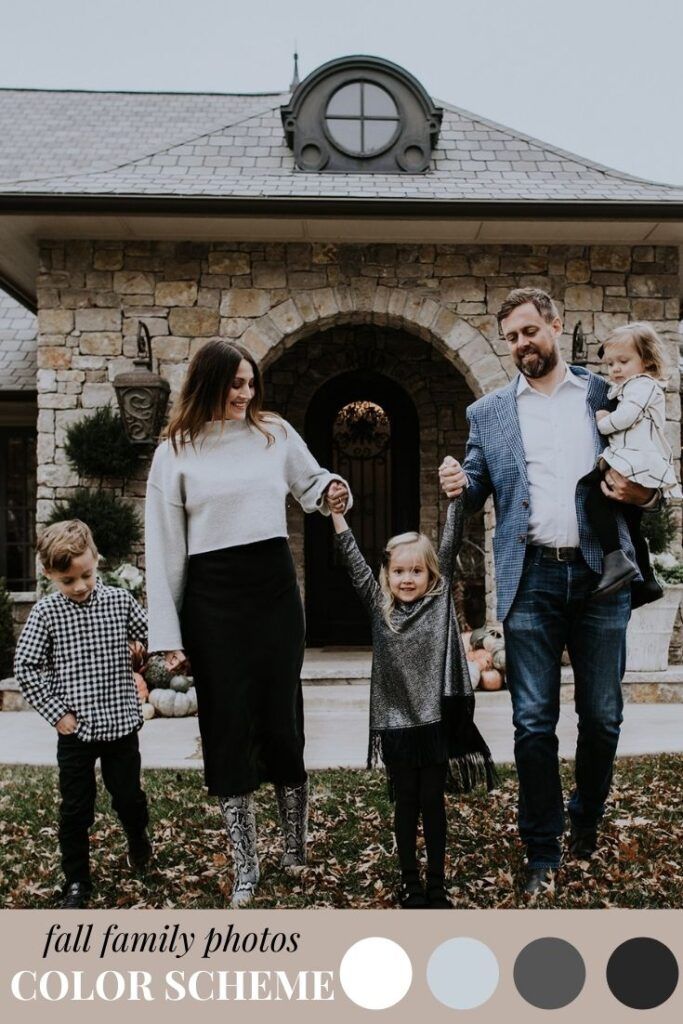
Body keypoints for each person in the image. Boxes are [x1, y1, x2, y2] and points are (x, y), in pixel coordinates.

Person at [439, 288, 662, 898]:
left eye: (530, 331)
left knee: (605, 718)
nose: (521, 345)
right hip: (530, 580)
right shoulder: (487, 412)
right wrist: (459, 478)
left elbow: (648, 459)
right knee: (533, 724)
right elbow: (479, 479)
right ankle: (542, 847)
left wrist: (646, 494)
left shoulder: (602, 393)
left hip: (600, 576)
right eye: (511, 337)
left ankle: (585, 817)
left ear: (556, 326)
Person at [144, 339, 350, 908]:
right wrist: (168, 637)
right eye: (235, 384)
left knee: (282, 716)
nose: (246, 393)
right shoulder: (175, 453)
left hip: (274, 590)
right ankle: (245, 864)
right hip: (212, 600)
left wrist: (333, 488)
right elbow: (163, 550)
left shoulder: (275, 434)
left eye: (250, 382)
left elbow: (314, 487)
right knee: (228, 724)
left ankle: (294, 845)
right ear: (207, 383)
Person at [331, 496, 496, 909]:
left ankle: (436, 884)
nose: (407, 579)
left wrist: (456, 498)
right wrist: (337, 516)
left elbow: (451, 540)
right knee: (406, 802)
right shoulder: (379, 605)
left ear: (430, 574)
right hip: (397, 724)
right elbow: (352, 558)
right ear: (387, 574)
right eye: (399, 571)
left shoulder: (437, 603)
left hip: (435, 721)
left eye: (417, 571)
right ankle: (410, 883)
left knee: (431, 802)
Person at [14, 519, 151, 909]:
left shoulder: (120, 602)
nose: (79, 586)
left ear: (97, 560)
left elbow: (151, 635)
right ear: (48, 575)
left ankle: (138, 839)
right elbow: (26, 667)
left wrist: (142, 646)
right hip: (75, 731)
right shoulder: (46, 615)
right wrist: (57, 713)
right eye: (67, 580)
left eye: (86, 575)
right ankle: (77, 880)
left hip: (121, 724)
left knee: (128, 797)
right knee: (75, 808)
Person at [580, 322, 681, 600]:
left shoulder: (642, 386)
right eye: (611, 363)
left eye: (623, 361)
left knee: (592, 497)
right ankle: (646, 581)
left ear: (647, 360)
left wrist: (603, 421)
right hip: (632, 459)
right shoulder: (632, 386)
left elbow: (626, 418)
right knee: (630, 522)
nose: (615, 369)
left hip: (636, 461)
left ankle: (615, 559)